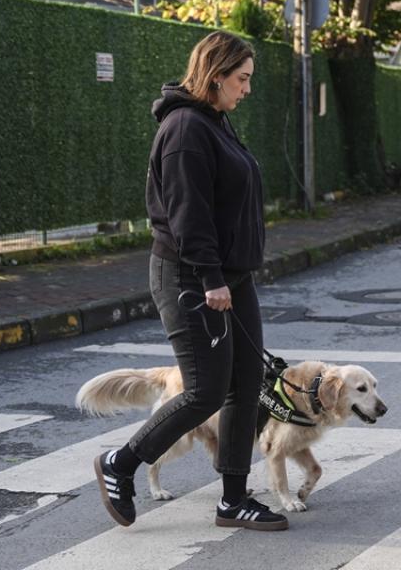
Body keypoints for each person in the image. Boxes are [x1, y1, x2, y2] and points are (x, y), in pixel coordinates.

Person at [93, 31, 288, 531]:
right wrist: (210, 279)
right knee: (205, 389)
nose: (246, 89)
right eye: (242, 80)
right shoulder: (184, 129)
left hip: (229, 276)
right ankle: (122, 462)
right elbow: (188, 215)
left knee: (246, 386)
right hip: (192, 277)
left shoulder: (215, 122)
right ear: (216, 75)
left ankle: (234, 499)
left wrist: (230, 274)